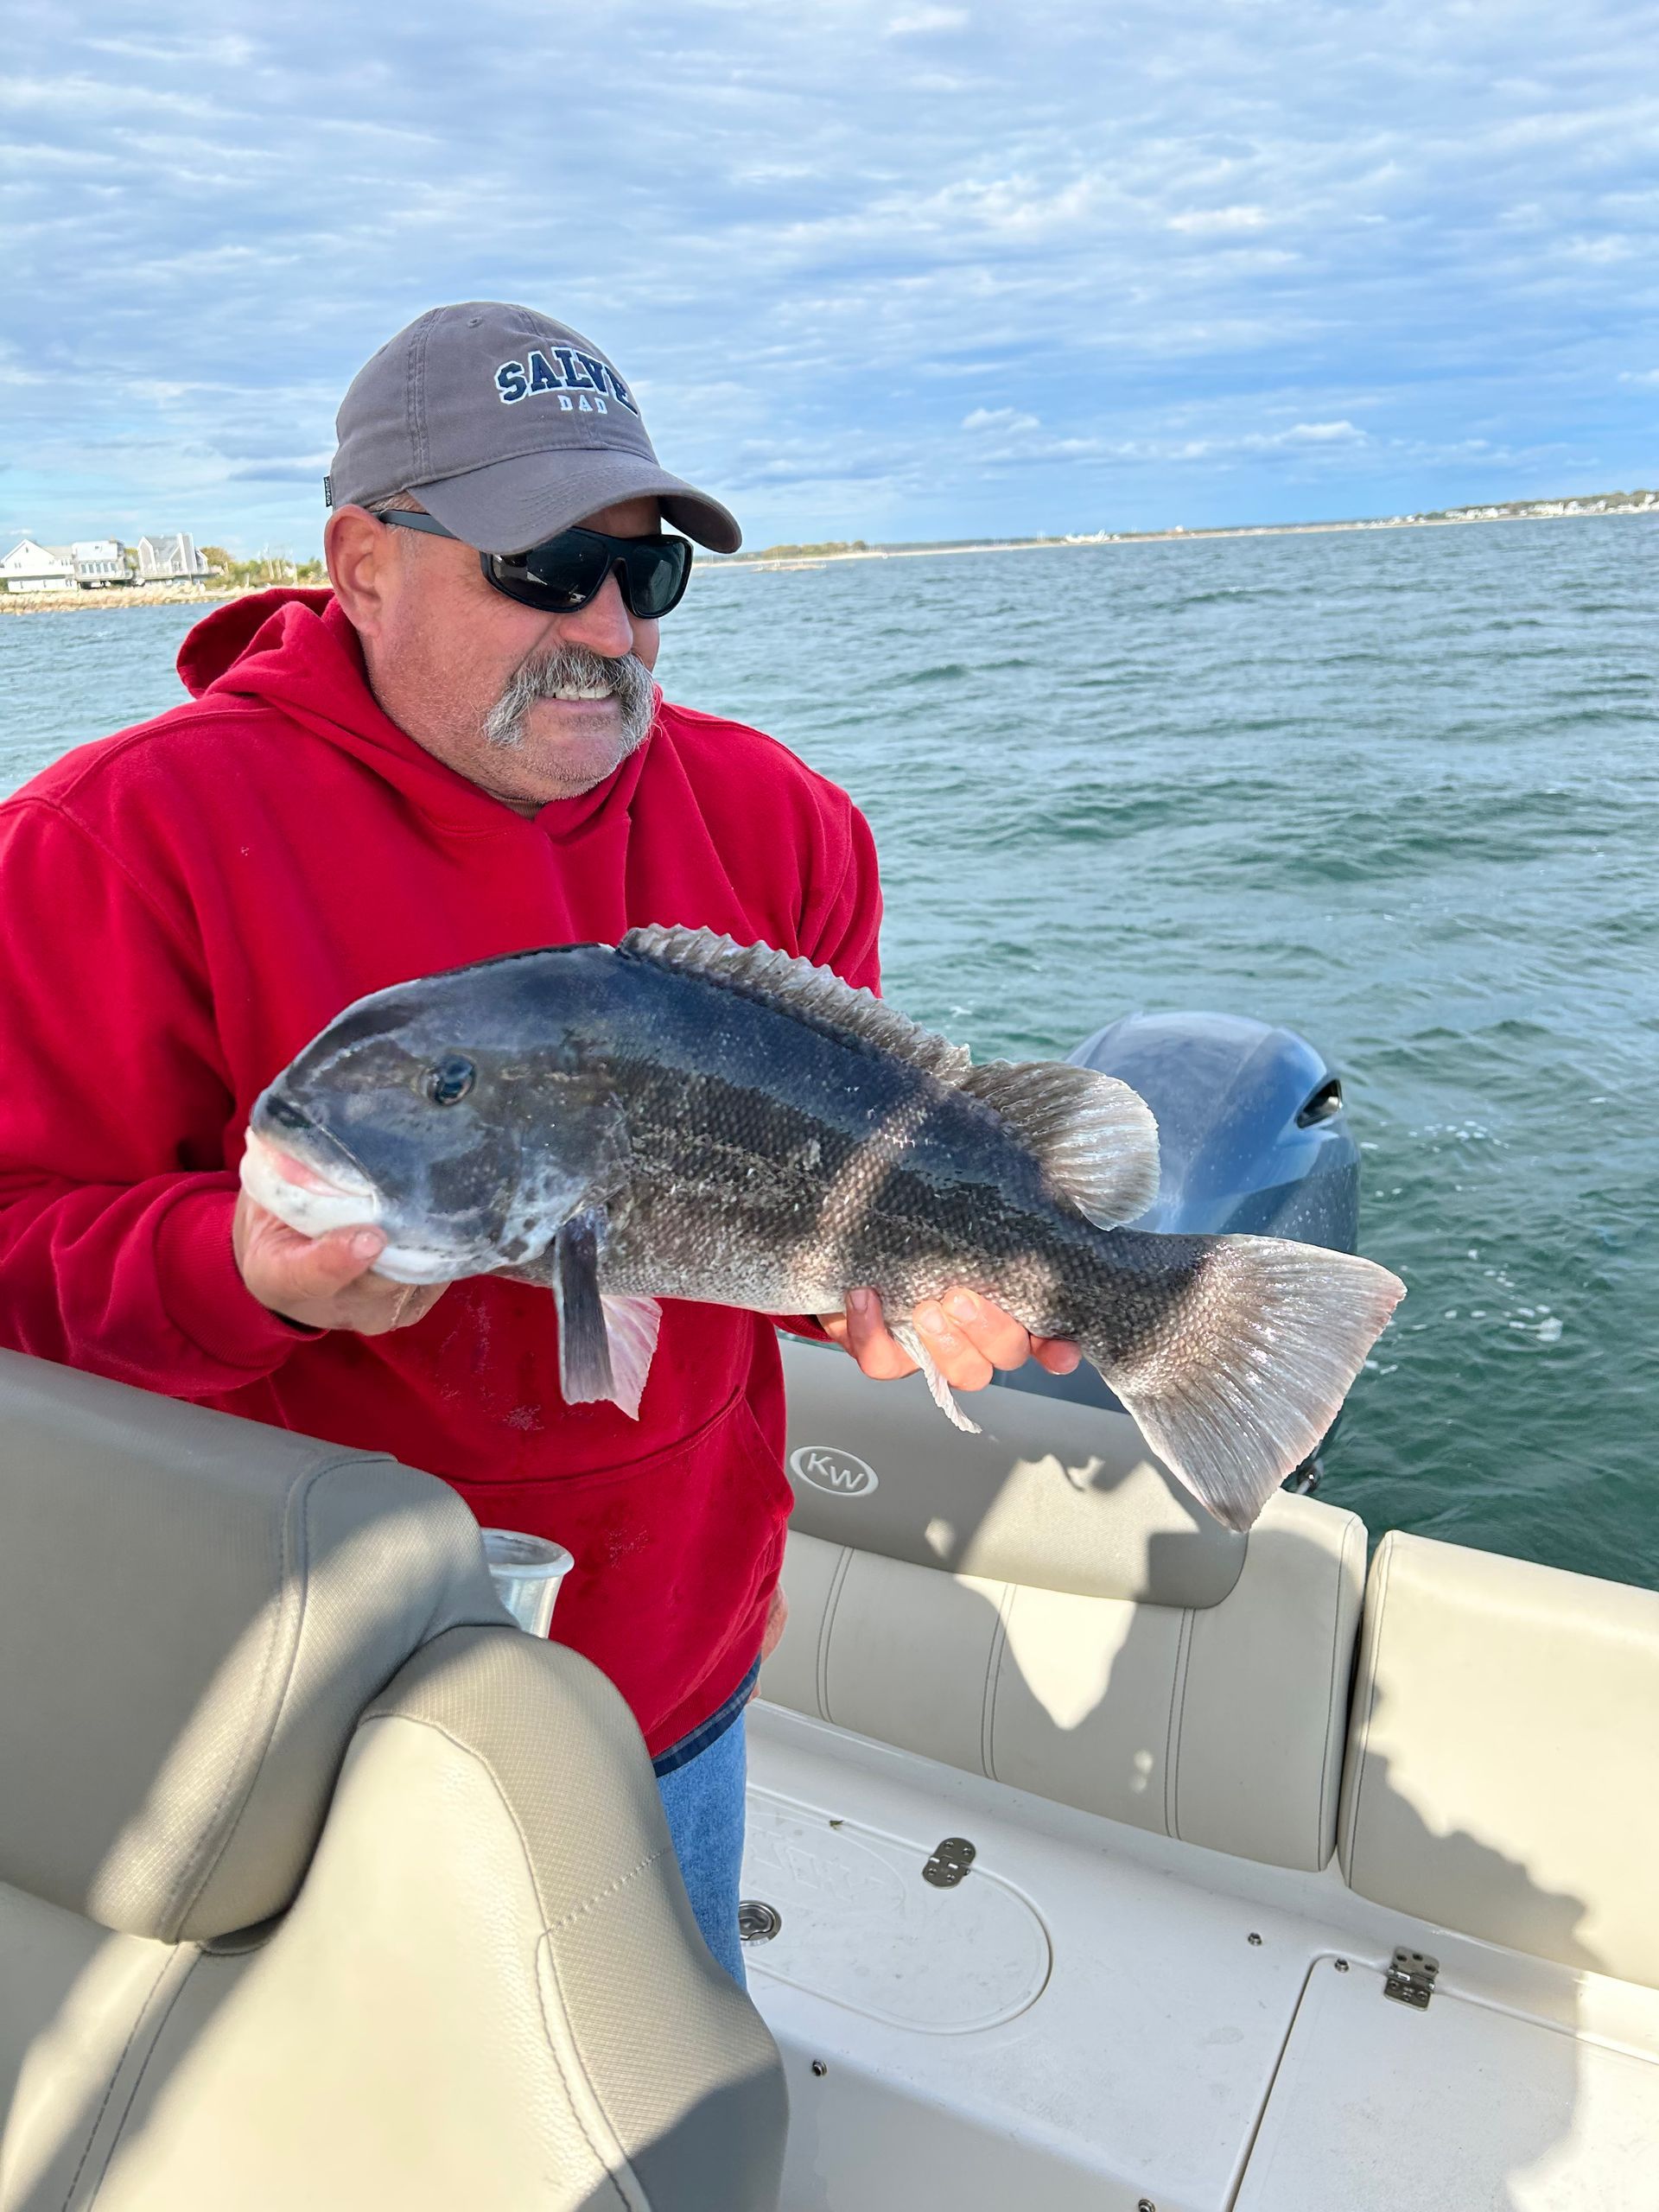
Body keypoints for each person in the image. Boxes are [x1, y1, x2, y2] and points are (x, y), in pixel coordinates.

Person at [0, 302, 1077, 1983]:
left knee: (654, 2069)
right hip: (285, 1675)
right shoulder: (105, 845)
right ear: (362, 562)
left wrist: (883, 1288)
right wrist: (238, 1269)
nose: (606, 627)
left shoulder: (784, 821)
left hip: (675, 1658)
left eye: (646, 577)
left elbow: (810, 1193)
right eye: (544, 564)